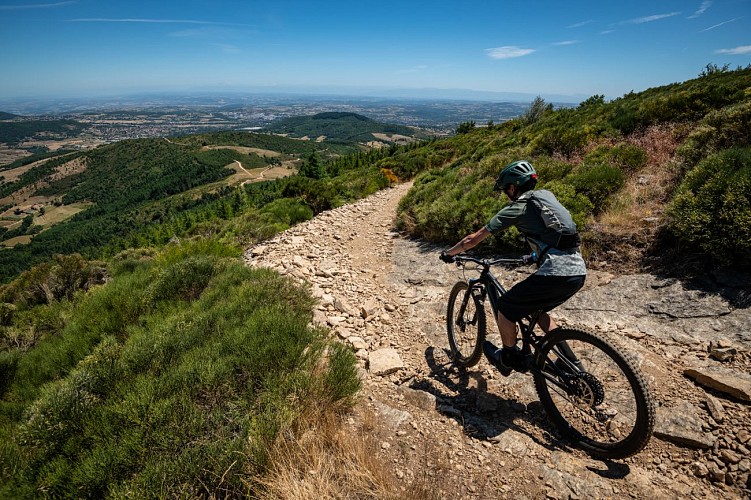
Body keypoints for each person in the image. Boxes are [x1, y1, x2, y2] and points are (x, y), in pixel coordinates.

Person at [439, 160, 586, 376]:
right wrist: (533, 256)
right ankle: (570, 361)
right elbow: (555, 238)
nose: (506, 194)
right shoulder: (546, 198)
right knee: (536, 308)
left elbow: (473, 239)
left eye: (506, 190)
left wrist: (448, 253)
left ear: (512, 187)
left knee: (506, 308)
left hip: (555, 273)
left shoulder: (518, 207)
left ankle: (508, 357)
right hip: (577, 271)